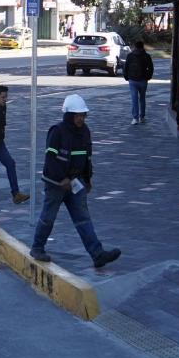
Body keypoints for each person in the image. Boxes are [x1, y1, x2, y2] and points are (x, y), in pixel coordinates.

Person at [30, 95, 121, 268]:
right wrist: (60, 178)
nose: (81, 118)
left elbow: (86, 158)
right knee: (48, 217)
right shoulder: (57, 131)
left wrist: (87, 179)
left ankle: (97, 254)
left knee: (83, 218)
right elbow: (50, 158)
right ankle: (37, 247)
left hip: (75, 182)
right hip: (55, 184)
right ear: (68, 115)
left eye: (83, 115)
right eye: (77, 115)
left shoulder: (85, 132)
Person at [124, 40, 155, 125]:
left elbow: (126, 67)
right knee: (142, 99)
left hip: (132, 80)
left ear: (135, 46)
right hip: (143, 80)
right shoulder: (146, 56)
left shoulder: (130, 56)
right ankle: (142, 117)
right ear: (142, 47)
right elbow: (151, 68)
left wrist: (126, 77)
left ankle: (135, 118)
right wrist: (148, 77)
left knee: (134, 99)